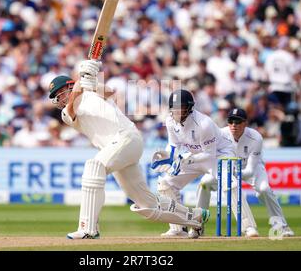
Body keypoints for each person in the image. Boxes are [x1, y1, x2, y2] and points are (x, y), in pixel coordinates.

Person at [48, 60, 209, 239]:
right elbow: (71, 109)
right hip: (116, 151)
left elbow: (110, 92)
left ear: (70, 86)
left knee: (94, 166)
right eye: (58, 96)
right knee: (146, 204)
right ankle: (196, 217)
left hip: (127, 137)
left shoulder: (92, 92)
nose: (61, 97)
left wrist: (91, 82)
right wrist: (80, 83)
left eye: (63, 92)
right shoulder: (66, 113)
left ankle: (88, 229)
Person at [151, 90, 258, 238]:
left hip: (220, 154)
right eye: (173, 107)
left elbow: (209, 154)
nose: (176, 111)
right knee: (165, 183)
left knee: (230, 184)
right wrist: (167, 157)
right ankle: (178, 228)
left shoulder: (204, 124)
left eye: (180, 107)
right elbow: (173, 145)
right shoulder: (170, 121)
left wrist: (184, 159)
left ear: (188, 107)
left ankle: (249, 227)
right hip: (195, 155)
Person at [221, 108, 294, 237]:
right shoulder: (221, 135)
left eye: (237, 121)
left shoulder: (255, 137)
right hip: (231, 166)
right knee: (207, 183)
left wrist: (235, 173)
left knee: (264, 189)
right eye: (231, 121)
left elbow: (249, 171)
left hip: (252, 167)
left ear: (245, 123)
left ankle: (281, 226)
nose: (233, 125)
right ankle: (197, 225)